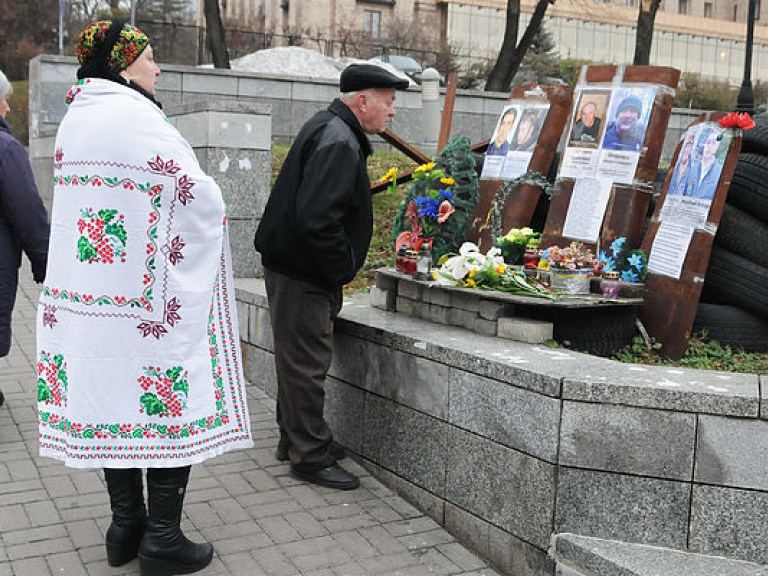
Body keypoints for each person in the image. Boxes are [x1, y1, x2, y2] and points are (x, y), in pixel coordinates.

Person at [36, 19, 252, 575]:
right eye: (150, 58)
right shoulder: (135, 116)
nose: (157, 69)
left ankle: (124, 525)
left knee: (115, 403)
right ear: (124, 64)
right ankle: (162, 538)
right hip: (146, 305)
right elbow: (195, 195)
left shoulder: (77, 116)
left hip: (92, 304)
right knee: (159, 403)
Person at [255, 63, 409, 491]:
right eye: (388, 101)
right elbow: (318, 221)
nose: (392, 111)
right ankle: (310, 457)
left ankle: (298, 439)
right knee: (306, 365)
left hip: (294, 267)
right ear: (362, 101)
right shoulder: (340, 140)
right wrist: (342, 268)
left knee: (297, 361)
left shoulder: (332, 128)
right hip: (304, 272)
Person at [0, 69, 49, 409]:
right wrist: (44, 260)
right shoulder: (6, 150)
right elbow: (27, 211)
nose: (6, 107)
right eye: (1, 99)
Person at [689, 127, 724, 201]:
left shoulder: (720, 171)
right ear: (704, 143)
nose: (709, 147)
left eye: (713, 143)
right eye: (708, 142)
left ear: (718, 146)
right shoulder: (692, 168)